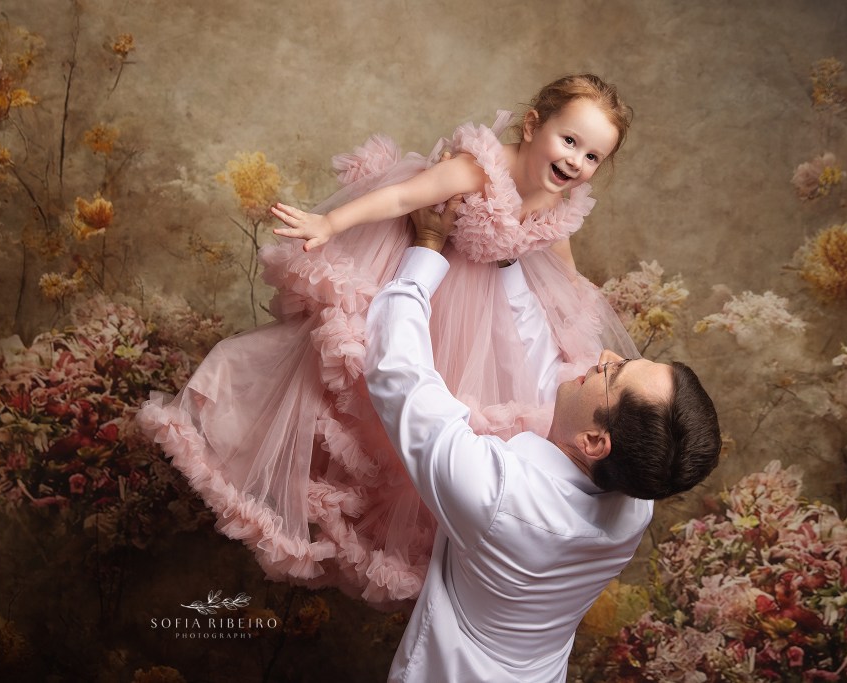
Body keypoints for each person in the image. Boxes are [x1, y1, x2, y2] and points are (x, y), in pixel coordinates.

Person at [138, 74, 643, 604]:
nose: (576, 163)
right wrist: (330, 223)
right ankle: (241, 430)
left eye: (592, 157)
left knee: (440, 419)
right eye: (570, 141)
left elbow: (560, 265)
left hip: (477, 310)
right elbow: (403, 195)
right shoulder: (479, 168)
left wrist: (579, 310)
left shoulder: (557, 201)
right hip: (417, 271)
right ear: (534, 125)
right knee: (338, 379)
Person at [367, 205, 721, 682]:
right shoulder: (637, 501)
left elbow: (400, 379)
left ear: (595, 441)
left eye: (613, 374)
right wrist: (509, 262)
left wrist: (427, 248)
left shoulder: (498, 496)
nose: (606, 355)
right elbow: (540, 379)